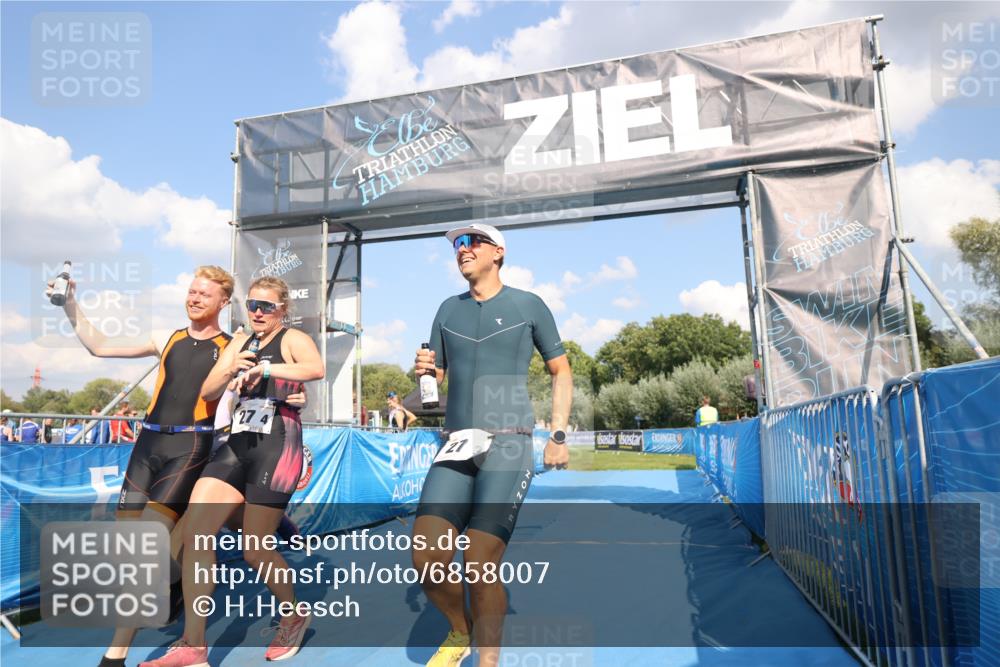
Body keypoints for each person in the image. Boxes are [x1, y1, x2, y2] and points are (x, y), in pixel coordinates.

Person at [51, 265, 238, 667]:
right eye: (191, 291)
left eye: (204, 294)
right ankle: (172, 586)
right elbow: (99, 346)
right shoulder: (165, 337)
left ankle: (114, 656)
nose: (194, 298)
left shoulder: (232, 345)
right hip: (147, 444)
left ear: (223, 302)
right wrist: (70, 305)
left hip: (189, 445)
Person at [412, 223, 573, 667]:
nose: (462, 250)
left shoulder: (529, 305)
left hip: (509, 443)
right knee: (426, 556)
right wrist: (426, 370)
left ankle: (488, 660)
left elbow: (561, 371)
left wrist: (557, 435)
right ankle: (459, 631)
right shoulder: (447, 309)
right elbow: (438, 380)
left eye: (471, 243)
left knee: (480, 561)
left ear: (497, 252)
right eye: (457, 246)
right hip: (456, 444)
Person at [143, 276, 324, 667]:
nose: (258, 312)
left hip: (277, 446)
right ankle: (193, 646)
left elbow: (315, 367)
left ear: (283, 310)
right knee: (195, 533)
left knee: (255, 548)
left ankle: (293, 615)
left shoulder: (290, 338)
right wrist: (230, 369)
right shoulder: (240, 341)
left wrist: (269, 368)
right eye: (253, 305)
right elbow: (208, 391)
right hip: (237, 444)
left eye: (267, 306)